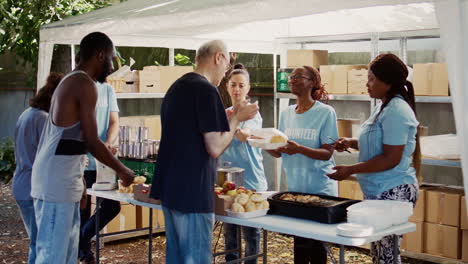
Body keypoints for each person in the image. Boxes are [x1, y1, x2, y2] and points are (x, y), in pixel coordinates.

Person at [150, 40, 259, 264]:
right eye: (227, 65)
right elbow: (215, 147)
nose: (226, 72)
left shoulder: (176, 87)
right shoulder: (206, 90)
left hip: (171, 189)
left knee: (177, 258)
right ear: (218, 58)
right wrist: (237, 118)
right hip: (192, 192)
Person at [30, 32, 134, 264]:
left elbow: (72, 141)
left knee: (66, 256)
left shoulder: (73, 80)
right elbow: (91, 140)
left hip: (62, 182)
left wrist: (81, 182)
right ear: (99, 55)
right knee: (53, 257)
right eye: (111, 58)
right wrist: (122, 170)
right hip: (55, 184)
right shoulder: (83, 83)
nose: (112, 65)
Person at [328, 53, 420, 264]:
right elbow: (380, 145)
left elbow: (391, 158)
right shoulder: (383, 106)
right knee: (380, 253)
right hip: (381, 189)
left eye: (371, 79)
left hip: (394, 190)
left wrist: (351, 170)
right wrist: (351, 143)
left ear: (387, 82)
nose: (367, 84)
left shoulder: (397, 110)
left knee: (386, 254)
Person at [267, 66, 338, 264]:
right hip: (296, 190)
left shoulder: (325, 113)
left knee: (316, 248)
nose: (292, 80)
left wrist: (300, 149)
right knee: (299, 246)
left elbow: (327, 153)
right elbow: (279, 151)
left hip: (320, 189)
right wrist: (261, 143)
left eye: (299, 77)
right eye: (291, 77)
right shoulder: (286, 113)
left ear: (312, 82)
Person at [12, 72, 64, 264]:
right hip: (33, 188)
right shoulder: (42, 119)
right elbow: (51, 157)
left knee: (37, 243)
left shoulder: (27, 114)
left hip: (23, 184)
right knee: (40, 244)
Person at [221, 64, 267, 264]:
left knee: (251, 233)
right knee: (229, 231)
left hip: (251, 180)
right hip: (229, 181)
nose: (237, 89)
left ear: (248, 88)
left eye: (241, 85)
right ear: (227, 87)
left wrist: (231, 123)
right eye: (233, 85)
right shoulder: (224, 112)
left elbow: (243, 136)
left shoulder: (252, 113)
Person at [79, 80, 121, 264]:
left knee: (112, 206)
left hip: (103, 163)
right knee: (83, 211)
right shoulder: (77, 86)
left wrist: (109, 142)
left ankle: (79, 240)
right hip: (82, 161)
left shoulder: (107, 89)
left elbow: (114, 121)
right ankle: (85, 253)